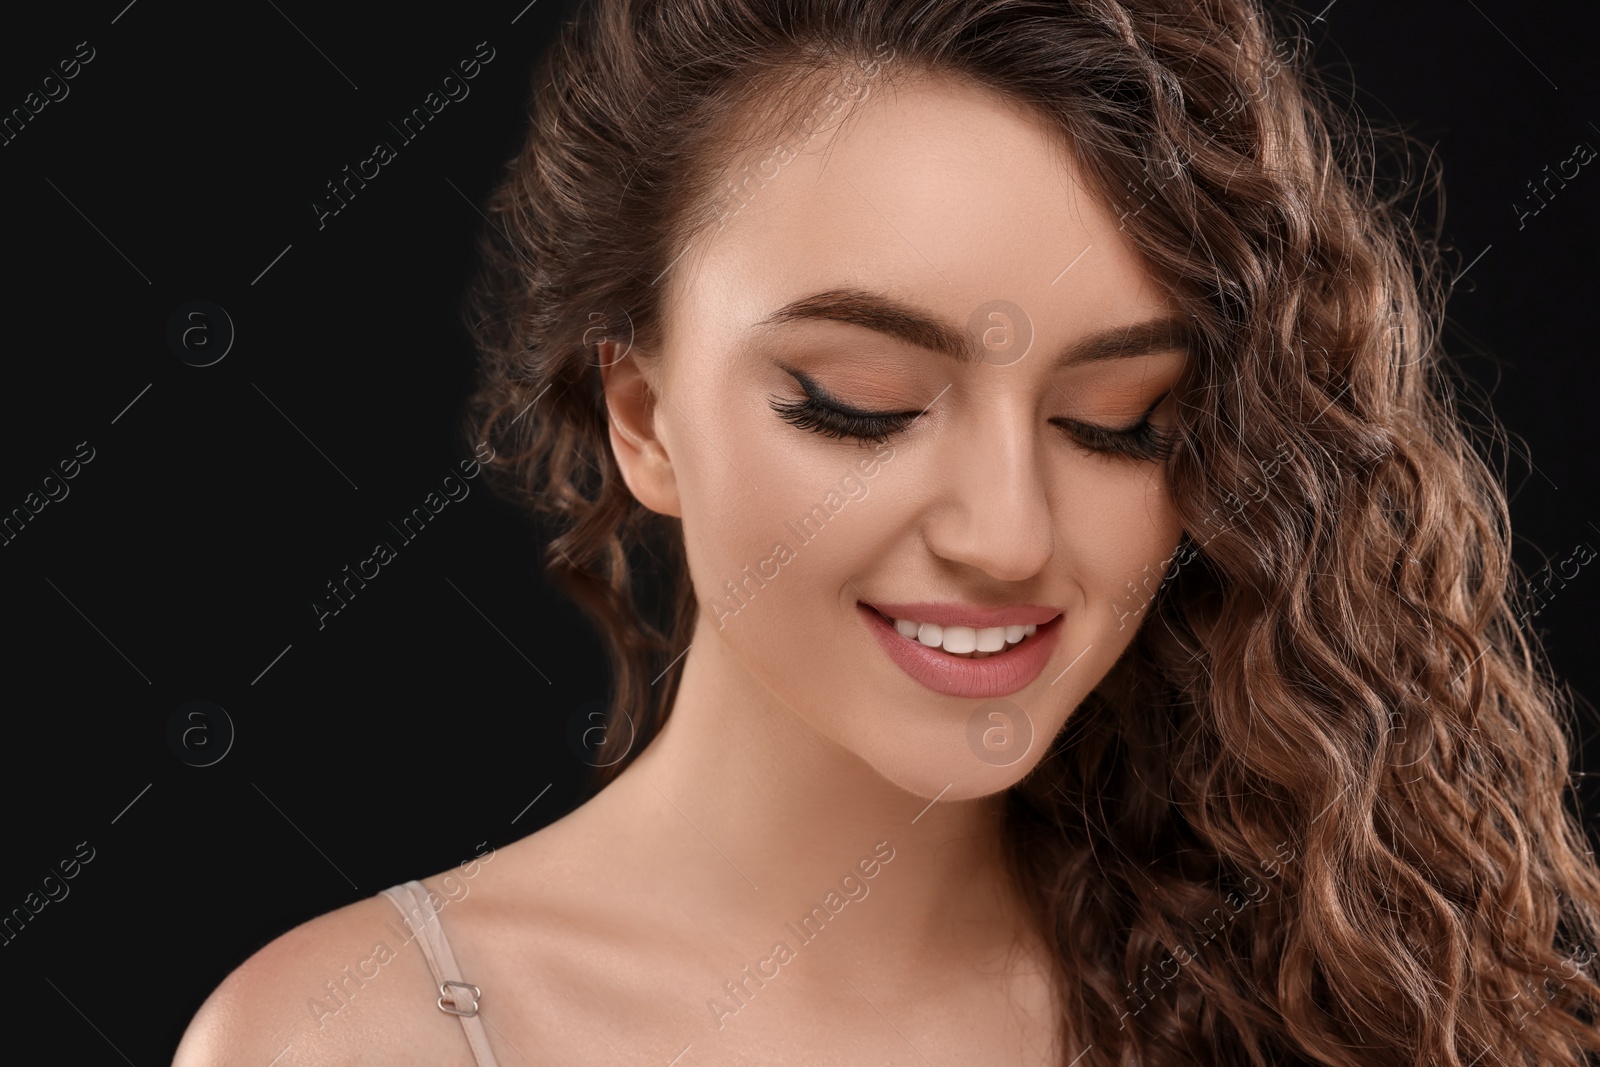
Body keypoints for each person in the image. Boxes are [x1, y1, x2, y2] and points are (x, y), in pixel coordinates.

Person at [173, 0, 1600, 1063]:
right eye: (858, 405)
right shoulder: (356, 1037)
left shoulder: (1343, 997)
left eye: (1119, 420)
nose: (1006, 533)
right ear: (644, 413)